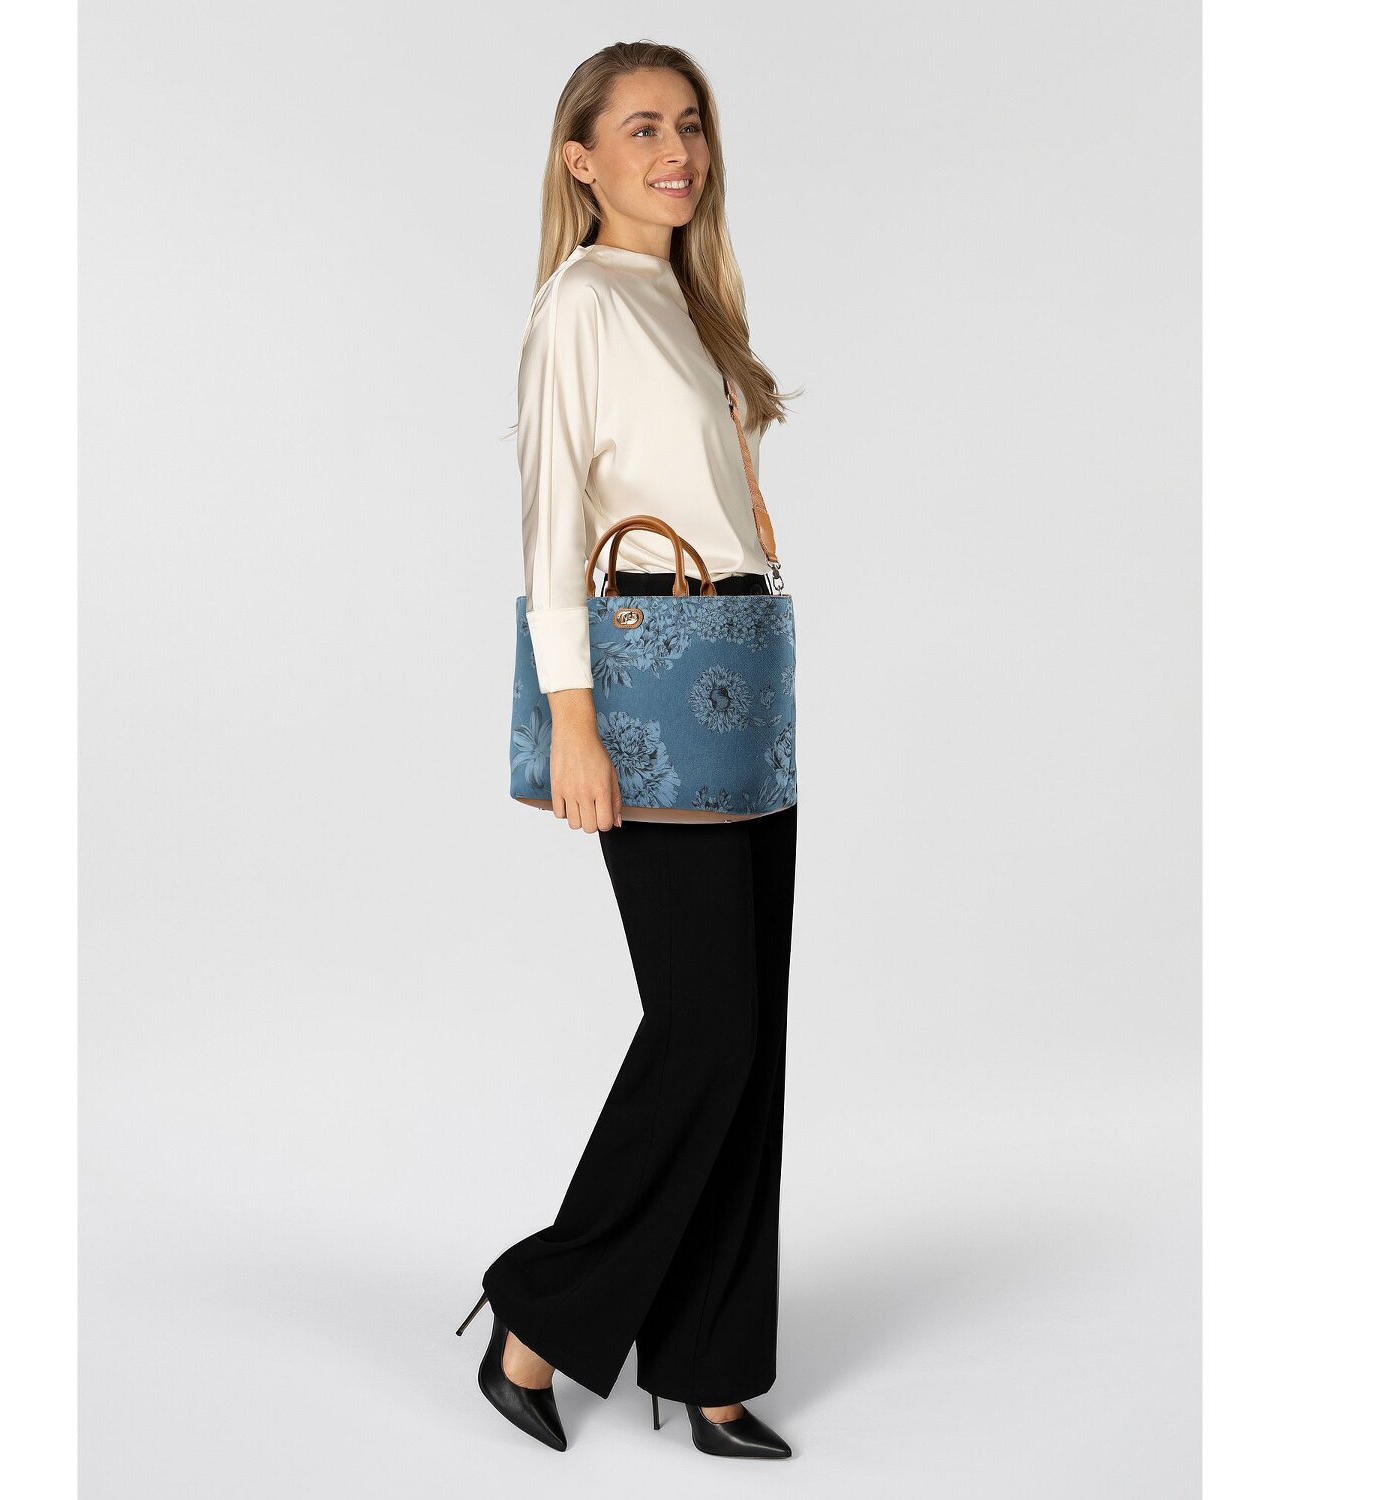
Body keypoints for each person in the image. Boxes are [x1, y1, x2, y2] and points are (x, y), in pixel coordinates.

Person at [457, 40, 801, 1461]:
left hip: (741, 669)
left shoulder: (689, 301)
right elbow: (552, 524)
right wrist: (574, 721)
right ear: (580, 158)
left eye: (692, 125)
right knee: (703, 1030)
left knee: (749, 1036)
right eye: (644, 127)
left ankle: (712, 1364)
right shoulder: (583, 303)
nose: (679, 151)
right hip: (650, 681)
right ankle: (541, 1310)